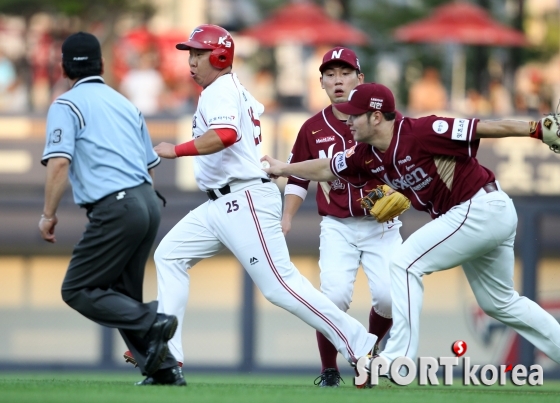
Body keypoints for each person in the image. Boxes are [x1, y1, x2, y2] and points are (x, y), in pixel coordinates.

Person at [262, 82, 560, 381]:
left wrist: (535, 128)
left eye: (356, 115)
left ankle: (395, 358)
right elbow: (328, 168)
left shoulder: (421, 130)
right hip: (479, 216)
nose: (348, 120)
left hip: (480, 206)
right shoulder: (365, 154)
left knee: (405, 263)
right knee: (499, 302)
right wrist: (283, 168)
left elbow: (482, 127)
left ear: (376, 117)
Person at [135, 24, 377, 381]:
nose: (192, 61)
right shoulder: (228, 89)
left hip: (243, 196)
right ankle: (168, 359)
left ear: (219, 56)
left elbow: (226, 135)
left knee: (280, 286)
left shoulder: (219, 89)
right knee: (169, 254)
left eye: (198, 53)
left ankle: (360, 345)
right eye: (190, 53)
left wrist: (175, 150)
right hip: (221, 201)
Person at [38, 32, 185, 386]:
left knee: (77, 289)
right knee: (121, 296)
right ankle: (164, 370)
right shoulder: (125, 103)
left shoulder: (66, 104)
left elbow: (59, 163)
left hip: (116, 206)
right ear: (102, 65)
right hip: (148, 201)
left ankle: (153, 319)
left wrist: (48, 215)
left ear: (64, 68)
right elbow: (149, 164)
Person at [283, 47, 401, 387]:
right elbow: (298, 178)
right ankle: (329, 369)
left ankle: (370, 357)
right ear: (320, 82)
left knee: (390, 298)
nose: (338, 80)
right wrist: (287, 217)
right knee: (333, 297)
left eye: (345, 72)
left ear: (360, 79)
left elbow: (405, 159)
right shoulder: (312, 128)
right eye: (330, 74)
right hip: (338, 224)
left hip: (382, 224)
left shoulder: (382, 119)